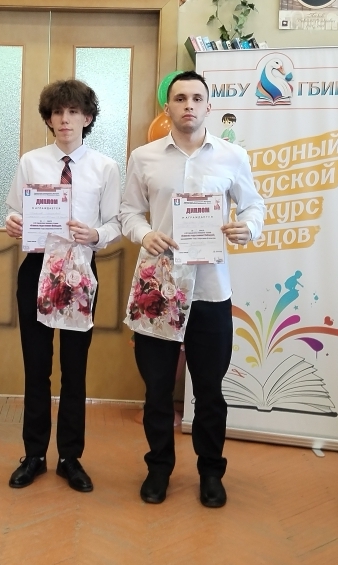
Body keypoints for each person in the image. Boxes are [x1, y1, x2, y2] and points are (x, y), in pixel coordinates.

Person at [120, 70, 264, 508]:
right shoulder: (144, 157)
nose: (188, 105)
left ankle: (211, 472)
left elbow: (254, 205)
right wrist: (144, 233)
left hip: (210, 293)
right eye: (180, 98)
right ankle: (158, 468)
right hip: (159, 290)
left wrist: (248, 228)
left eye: (196, 98)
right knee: (157, 389)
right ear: (168, 107)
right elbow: (129, 212)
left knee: (210, 391)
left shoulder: (232, 156)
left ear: (208, 106)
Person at [5, 79, 121, 493]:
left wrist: (97, 235)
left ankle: (70, 457)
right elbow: (13, 213)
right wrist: (13, 223)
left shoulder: (105, 167)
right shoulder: (31, 162)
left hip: (79, 271)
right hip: (36, 269)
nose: (65, 119)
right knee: (36, 368)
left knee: (75, 368)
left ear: (87, 118)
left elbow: (115, 223)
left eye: (73, 112)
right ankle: (34, 455)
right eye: (57, 112)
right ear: (49, 119)